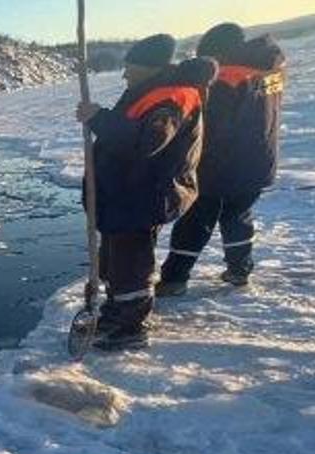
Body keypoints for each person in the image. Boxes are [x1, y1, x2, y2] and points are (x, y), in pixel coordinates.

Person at [76, 34, 217, 351]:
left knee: (131, 263)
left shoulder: (171, 98)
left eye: (130, 67)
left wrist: (99, 118)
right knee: (115, 259)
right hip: (127, 193)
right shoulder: (149, 91)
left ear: (149, 67)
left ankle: (130, 328)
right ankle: (116, 312)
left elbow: (147, 142)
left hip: (143, 195)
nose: (124, 74)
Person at [157, 24, 286, 294]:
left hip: (222, 164)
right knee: (237, 214)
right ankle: (240, 270)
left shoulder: (225, 78)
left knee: (195, 218)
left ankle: (174, 279)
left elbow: (213, 127)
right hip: (259, 161)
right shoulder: (269, 69)